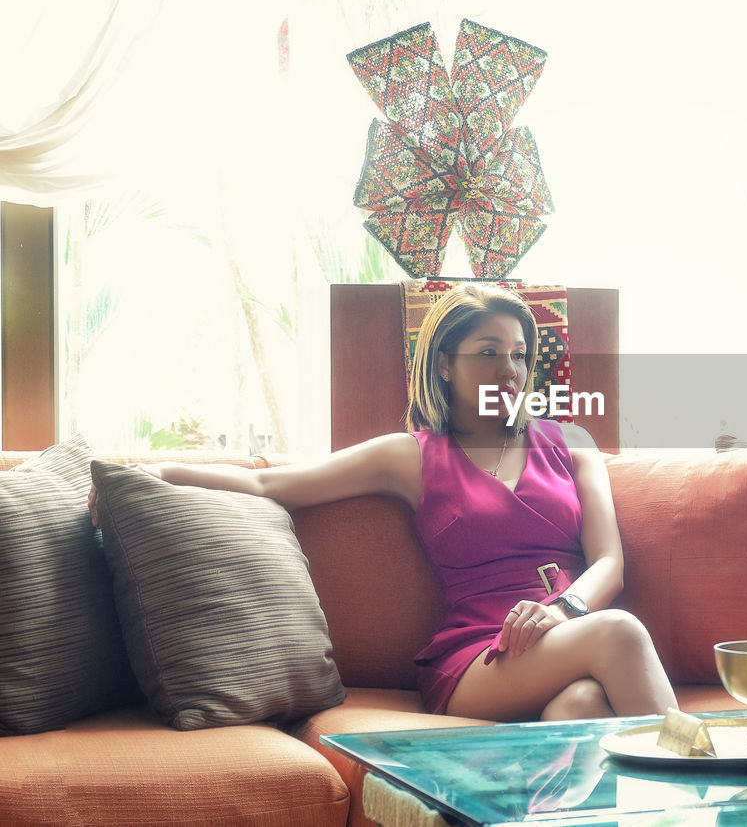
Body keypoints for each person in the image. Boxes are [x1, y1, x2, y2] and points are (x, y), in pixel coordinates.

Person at [90, 284, 678, 723]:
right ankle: (712, 792)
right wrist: (151, 471)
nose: (511, 369)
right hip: (484, 655)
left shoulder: (571, 443)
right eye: (489, 352)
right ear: (445, 364)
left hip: (570, 631)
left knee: (581, 707)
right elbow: (273, 485)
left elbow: (609, 563)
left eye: (521, 354)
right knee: (621, 633)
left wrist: (564, 609)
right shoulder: (411, 456)